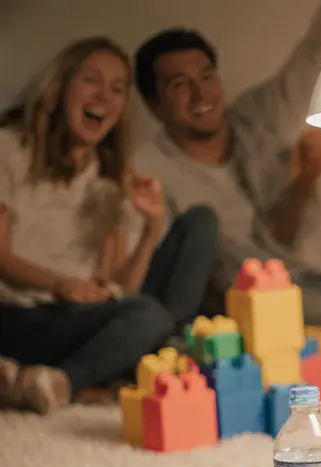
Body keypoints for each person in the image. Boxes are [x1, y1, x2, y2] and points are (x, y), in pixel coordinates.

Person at [131, 0, 321, 326]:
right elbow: (181, 281)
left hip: (304, 278)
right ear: (155, 105)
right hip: (238, 309)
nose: (200, 94)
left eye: (207, 77)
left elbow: (318, 53)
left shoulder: (254, 120)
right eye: (180, 85)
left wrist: (308, 175)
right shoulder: (146, 172)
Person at [0, 37, 217, 414]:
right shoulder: (10, 149)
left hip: (83, 318)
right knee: (147, 316)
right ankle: (66, 381)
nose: (105, 96)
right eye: (91, 80)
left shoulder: (109, 177)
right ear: (62, 85)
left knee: (201, 223)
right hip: (22, 313)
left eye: (118, 89)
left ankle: (140, 361)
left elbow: (121, 287)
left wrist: (151, 228)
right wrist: (62, 284)